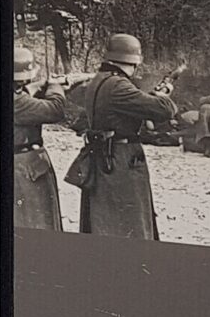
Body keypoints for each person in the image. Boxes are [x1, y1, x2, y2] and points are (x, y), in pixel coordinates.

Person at [60, 34, 174, 238]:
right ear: (134, 61)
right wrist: (162, 95)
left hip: (104, 157)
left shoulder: (99, 80)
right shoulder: (118, 85)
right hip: (120, 161)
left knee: (105, 222)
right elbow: (165, 110)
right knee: (129, 223)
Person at [9, 46, 65, 231]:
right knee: (37, 220)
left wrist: (40, 87)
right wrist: (55, 87)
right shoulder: (17, 101)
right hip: (25, 167)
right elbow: (56, 110)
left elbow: (25, 93)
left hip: (20, 164)